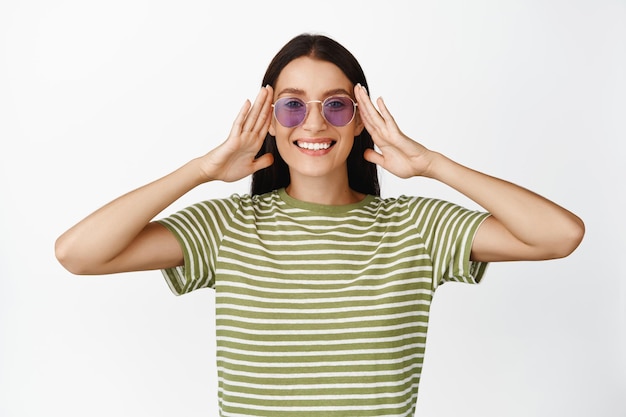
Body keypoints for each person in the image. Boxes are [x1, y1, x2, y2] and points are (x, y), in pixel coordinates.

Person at [55, 33, 585, 417]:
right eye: (291, 107)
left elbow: (560, 235)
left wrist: (431, 164)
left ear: (360, 120)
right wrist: (202, 171)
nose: (313, 123)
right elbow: (78, 253)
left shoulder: (415, 227)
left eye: (335, 106)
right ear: (268, 121)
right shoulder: (227, 227)